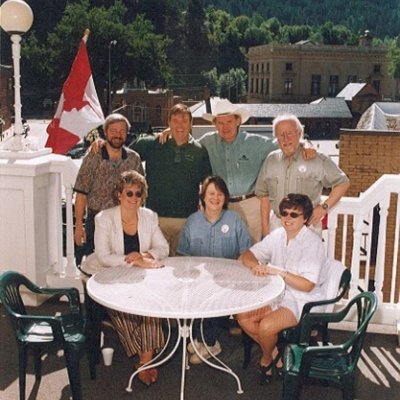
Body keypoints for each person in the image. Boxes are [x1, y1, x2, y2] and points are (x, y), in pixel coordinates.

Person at [160, 99, 314, 244]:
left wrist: (306, 144)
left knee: (252, 248)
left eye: (229, 121)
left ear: (238, 121)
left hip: (251, 205)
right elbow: (185, 141)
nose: (225, 127)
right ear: (215, 124)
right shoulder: (207, 142)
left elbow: (284, 143)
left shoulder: (255, 142)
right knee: (223, 247)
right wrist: (171, 131)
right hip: (221, 205)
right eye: (220, 123)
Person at [82, 170, 169, 386]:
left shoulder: (149, 216)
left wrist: (145, 256)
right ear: (119, 194)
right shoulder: (104, 218)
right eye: (129, 193)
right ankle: (148, 358)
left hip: (138, 277)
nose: (134, 198)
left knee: (151, 308)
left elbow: (163, 247)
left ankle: (144, 360)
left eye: (138, 194)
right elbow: (103, 256)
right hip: (104, 276)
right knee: (122, 307)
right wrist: (132, 260)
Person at [237, 193, 328, 384]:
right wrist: (256, 266)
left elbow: (307, 284)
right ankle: (274, 354)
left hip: (301, 300)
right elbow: (247, 255)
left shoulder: (312, 243)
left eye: (294, 215)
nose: (287, 218)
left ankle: (265, 360)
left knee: (266, 326)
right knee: (243, 318)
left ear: (305, 218)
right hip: (275, 295)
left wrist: (280, 272)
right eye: (284, 213)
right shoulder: (278, 235)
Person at [177, 175, 252, 363]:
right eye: (211, 193)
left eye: (220, 194)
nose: (215, 198)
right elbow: (183, 254)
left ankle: (210, 343)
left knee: (218, 296)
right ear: (203, 196)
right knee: (195, 293)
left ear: (225, 198)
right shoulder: (192, 221)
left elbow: (245, 252)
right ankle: (200, 340)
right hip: (198, 279)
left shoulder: (235, 220)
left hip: (227, 281)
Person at [131, 103, 212, 255]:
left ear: (191, 123)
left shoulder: (199, 150)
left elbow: (207, 185)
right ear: (168, 123)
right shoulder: (153, 144)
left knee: (182, 266)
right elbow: (123, 151)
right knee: (155, 264)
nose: (179, 125)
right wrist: (101, 143)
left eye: (184, 121)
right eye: (175, 121)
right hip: (155, 218)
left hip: (186, 220)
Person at [256, 114, 350, 236]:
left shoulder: (317, 159)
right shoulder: (271, 160)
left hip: (307, 227)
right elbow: (264, 195)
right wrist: (265, 230)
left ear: (300, 134)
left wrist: (323, 208)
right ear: (276, 138)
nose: (285, 139)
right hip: (277, 226)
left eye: (290, 133)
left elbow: (343, 183)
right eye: (281, 135)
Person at [73, 113, 144, 261]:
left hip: (126, 222)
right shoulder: (94, 155)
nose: (118, 135)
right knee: (97, 264)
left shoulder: (133, 159)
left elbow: (141, 194)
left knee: (126, 264)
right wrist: (79, 225)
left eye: (122, 131)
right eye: (113, 130)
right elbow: (81, 192)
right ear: (105, 132)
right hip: (97, 221)